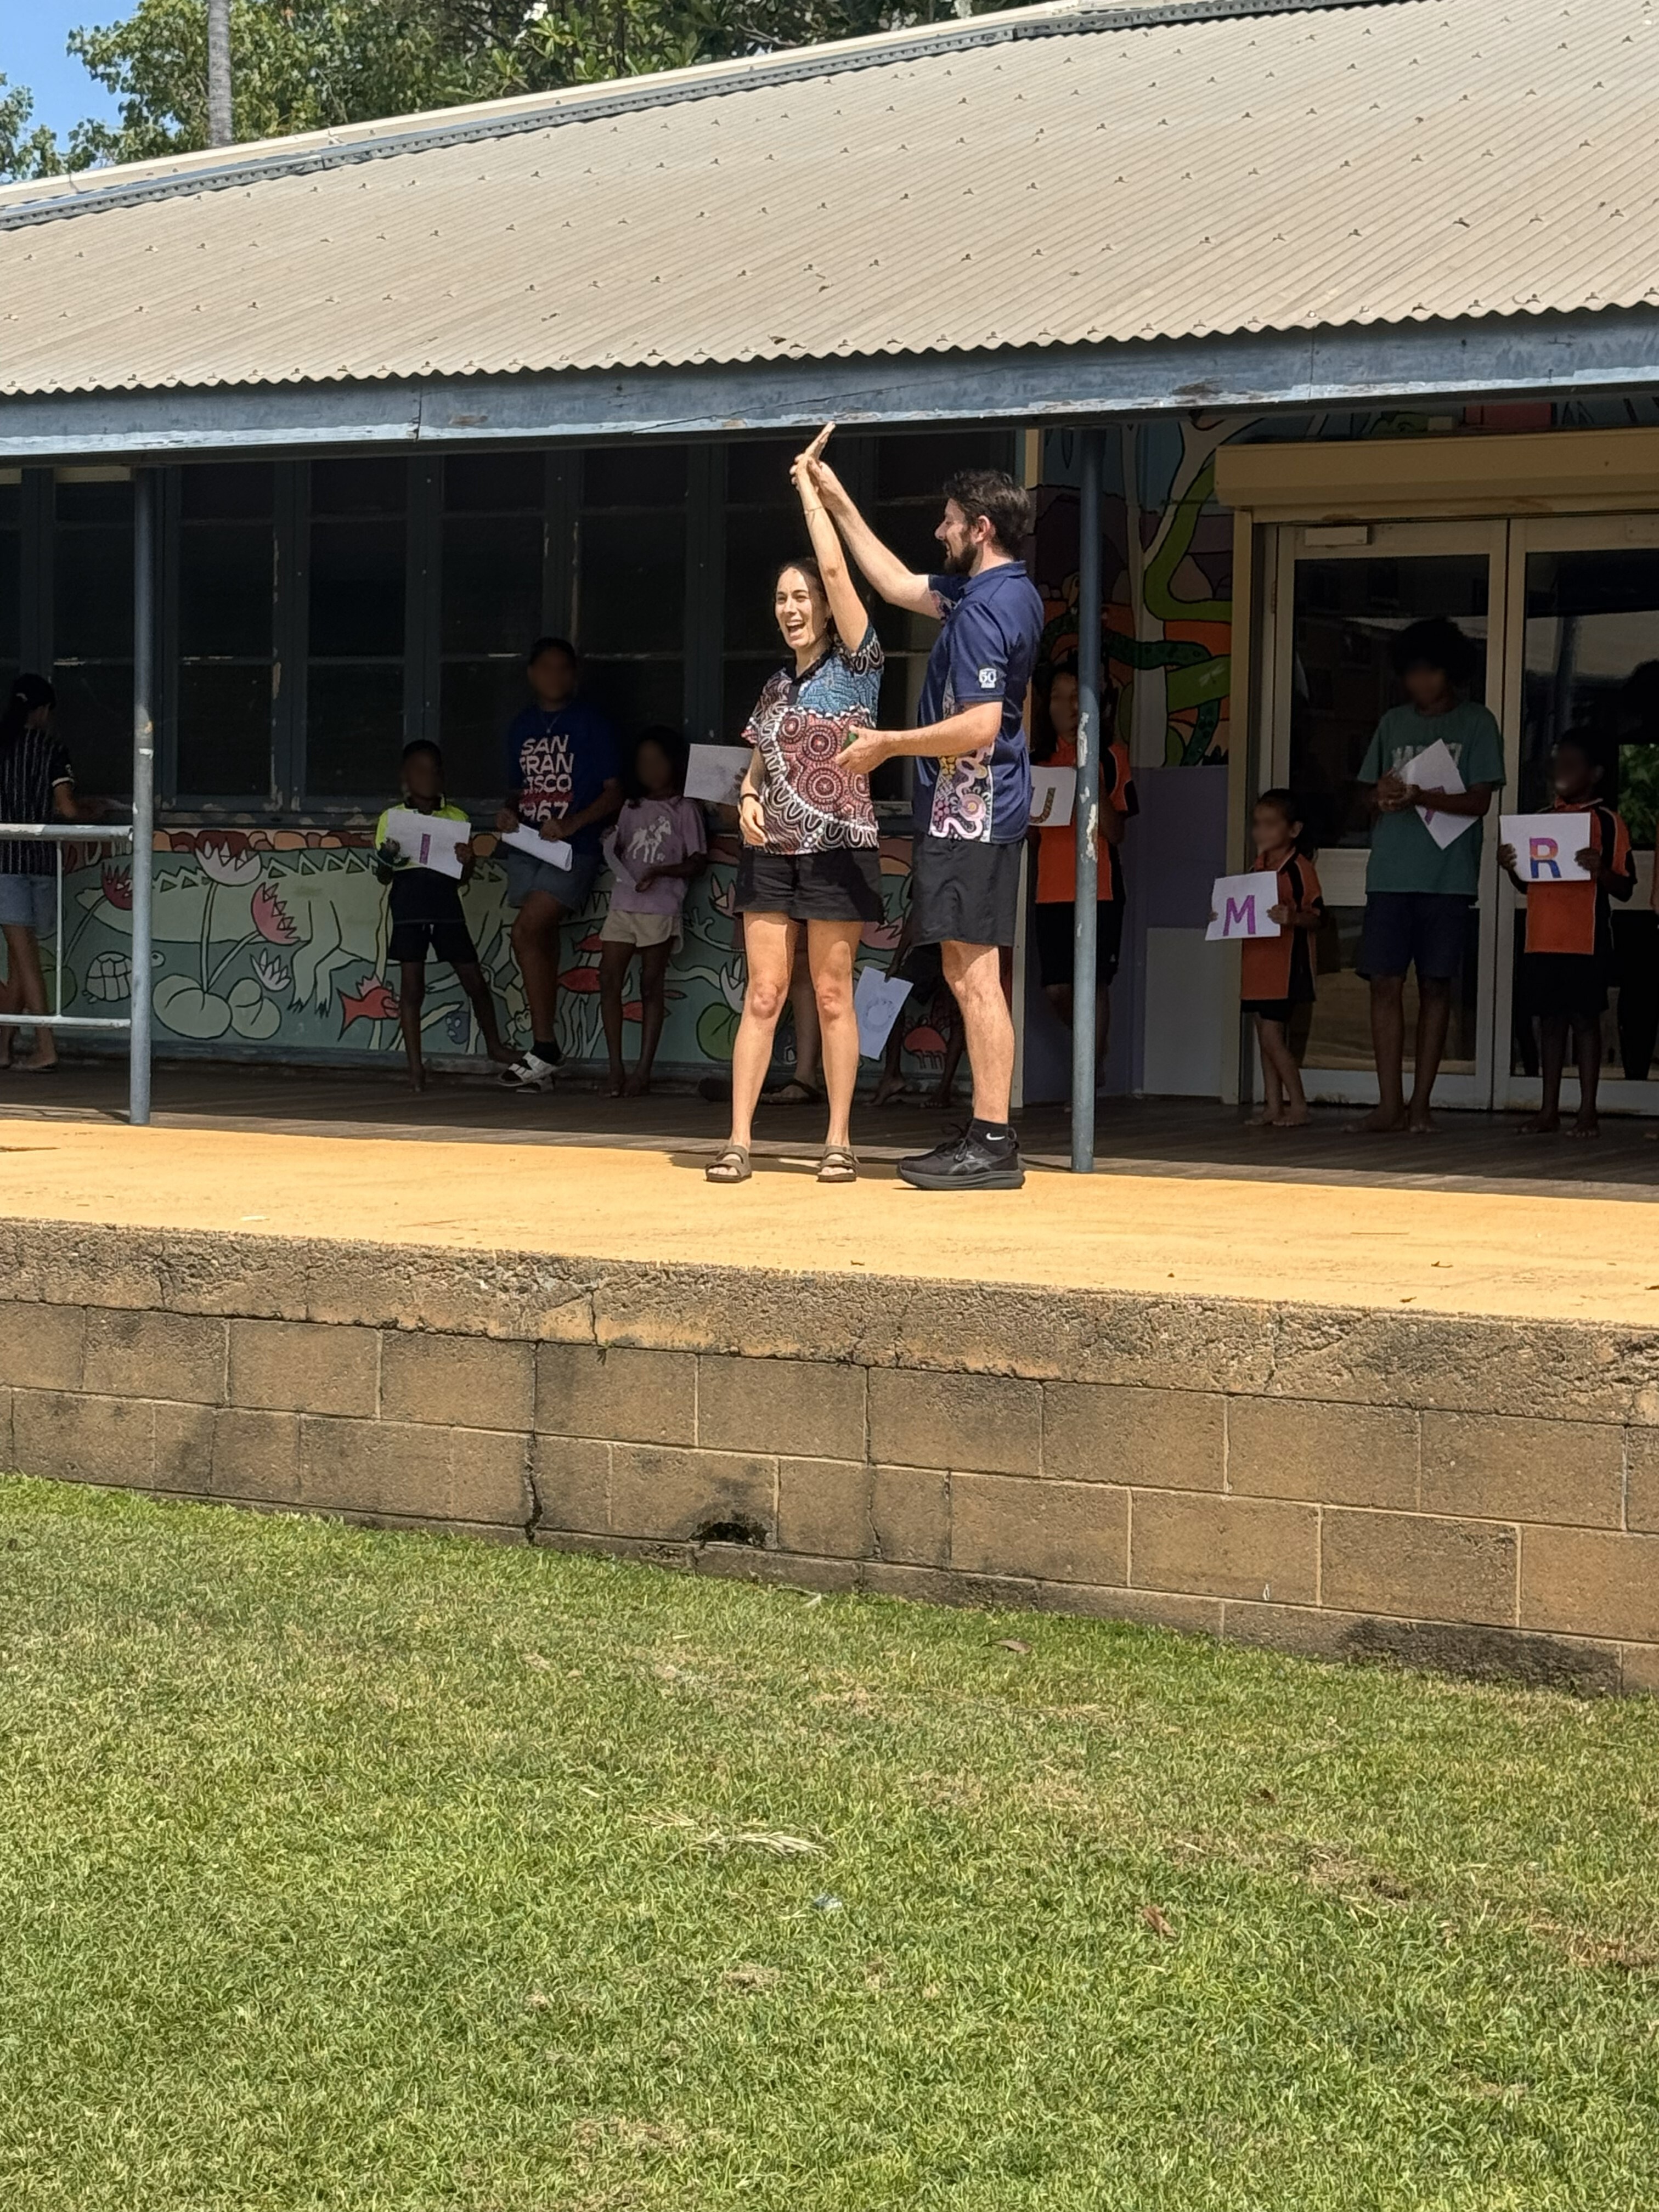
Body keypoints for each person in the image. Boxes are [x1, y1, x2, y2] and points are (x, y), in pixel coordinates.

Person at [812, 448, 1044, 1191]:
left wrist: (888, 744)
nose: (939, 532)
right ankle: (987, 1132)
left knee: (974, 976)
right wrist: (833, 494)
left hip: (971, 815)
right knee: (967, 970)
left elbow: (981, 724)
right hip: (973, 814)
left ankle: (993, 1141)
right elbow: (891, 582)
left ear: (981, 529)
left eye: (948, 522)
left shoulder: (984, 612)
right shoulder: (1001, 591)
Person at [706, 432, 884, 1187]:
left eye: (803, 597)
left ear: (828, 608)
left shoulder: (861, 663)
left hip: (840, 848)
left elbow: (838, 567)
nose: (792, 608)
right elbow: (756, 759)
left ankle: (838, 1139)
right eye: (782, 599)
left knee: (834, 994)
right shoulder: (777, 686)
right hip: (772, 852)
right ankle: (738, 1140)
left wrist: (809, 490)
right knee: (766, 992)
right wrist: (748, 794)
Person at [1351, 617, 1505, 1135]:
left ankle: (1422, 1104)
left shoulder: (1477, 723)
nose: (1421, 682)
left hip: (1447, 877)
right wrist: (1380, 796)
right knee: (1384, 984)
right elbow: (1364, 794)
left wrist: (1422, 796)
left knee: (1437, 986)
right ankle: (1389, 1103)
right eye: (1412, 672)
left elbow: (1480, 802)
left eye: (1432, 671)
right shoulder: (1393, 723)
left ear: (1452, 672)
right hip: (1389, 873)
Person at [495, 637, 622, 1091]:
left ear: (575, 674)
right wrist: (508, 812)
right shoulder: (521, 725)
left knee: (526, 930)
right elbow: (518, 788)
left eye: (564, 668)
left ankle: (545, 1047)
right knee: (538, 936)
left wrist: (572, 824)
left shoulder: (591, 723)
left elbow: (615, 792)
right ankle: (543, 1055)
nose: (555, 676)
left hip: (574, 848)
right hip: (527, 844)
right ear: (532, 674)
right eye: (546, 667)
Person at [1498, 733, 1634, 1138]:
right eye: (1558, 763)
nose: (1562, 771)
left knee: (1586, 1022)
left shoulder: (1607, 821)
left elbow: (1625, 887)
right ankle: (1549, 1110)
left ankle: (1588, 1111)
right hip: (1542, 937)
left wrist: (1600, 870)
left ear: (1595, 774)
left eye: (1572, 765)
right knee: (1550, 1022)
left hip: (1585, 938)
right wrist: (1511, 866)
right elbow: (1529, 884)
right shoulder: (1541, 819)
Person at [373, 740, 513, 1093]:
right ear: (405, 776)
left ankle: (495, 1047)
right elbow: (384, 875)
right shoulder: (392, 819)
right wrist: (387, 858)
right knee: (412, 988)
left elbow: (462, 879)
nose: (428, 777)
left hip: (446, 906)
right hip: (408, 908)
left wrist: (469, 861)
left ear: (442, 777)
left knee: (474, 981)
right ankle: (415, 1067)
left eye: (434, 771)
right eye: (419, 771)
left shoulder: (458, 818)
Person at [1031, 658, 1136, 1086]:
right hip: (1050, 889)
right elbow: (1031, 835)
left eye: (1076, 697)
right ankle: (1090, 1049)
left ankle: (1088, 1076)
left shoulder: (1111, 756)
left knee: (1094, 984)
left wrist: (1086, 775)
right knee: (1057, 990)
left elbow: (1117, 832)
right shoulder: (1037, 759)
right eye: (1057, 697)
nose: (1067, 706)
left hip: (1100, 889)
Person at [599, 726, 707, 1098]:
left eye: (658, 761)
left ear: (674, 763)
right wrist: (610, 844)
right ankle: (615, 1068)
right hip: (623, 902)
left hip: (660, 907)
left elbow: (697, 862)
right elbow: (621, 849)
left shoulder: (684, 809)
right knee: (608, 979)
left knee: (650, 984)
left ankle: (643, 1071)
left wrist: (661, 872)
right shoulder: (631, 807)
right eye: (643, 762)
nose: (651, 769)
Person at [0, 674, 78, 1074]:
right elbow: (68, 810)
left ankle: (43, 1048)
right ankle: (5, 1047)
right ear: (44, 711)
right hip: (42, 862)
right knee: (23, 962)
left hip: (4, 863)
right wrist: (94, 807)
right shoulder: (51, 749)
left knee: (24, 962)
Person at [1237, 788, 1324, 1130]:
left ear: (1294, 829)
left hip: (1286, 965)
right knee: (1264, 1037)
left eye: (1271, 824)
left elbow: (1317, 916)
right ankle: (1273, 1105)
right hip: (1257, 965)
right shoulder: (1256, 867)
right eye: (1258, 823)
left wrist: (1293, 918)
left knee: (1273, 1037)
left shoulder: (1300, 869)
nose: (1262, 831)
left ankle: (1298, 1105)